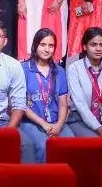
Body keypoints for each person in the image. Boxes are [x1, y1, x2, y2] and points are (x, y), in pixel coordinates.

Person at [19, 28, 71, 163]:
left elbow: (63, 103)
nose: (47, 49)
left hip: (56, 122)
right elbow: (21, 104)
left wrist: (59, 125)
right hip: (31, 122)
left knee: (71, 144)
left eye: (51, 45)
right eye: (43, 44)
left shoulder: (59, 71)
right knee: (44, 146)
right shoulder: (23, 69)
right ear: (35, 45)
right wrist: (44, 124)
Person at [66, 27, 102, 137]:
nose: (98, 49)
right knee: (97, 143)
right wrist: (100, 130)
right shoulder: (74, 68)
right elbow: (80, 104)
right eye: (93, 45)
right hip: (80, 119)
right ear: (85, 46)